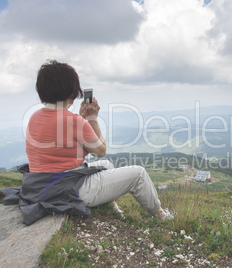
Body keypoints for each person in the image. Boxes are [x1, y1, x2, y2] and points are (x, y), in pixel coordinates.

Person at [25, 60, 173, 221]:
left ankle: (115, 211)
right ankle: (161, 216)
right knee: (138, 174)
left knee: (106, 166)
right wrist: (92, 119)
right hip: (69, 190)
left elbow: (63, 142)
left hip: (42, 187)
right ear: (71, 92)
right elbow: (100, 151)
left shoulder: (34, 117)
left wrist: (82, 120)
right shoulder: (73, 121)